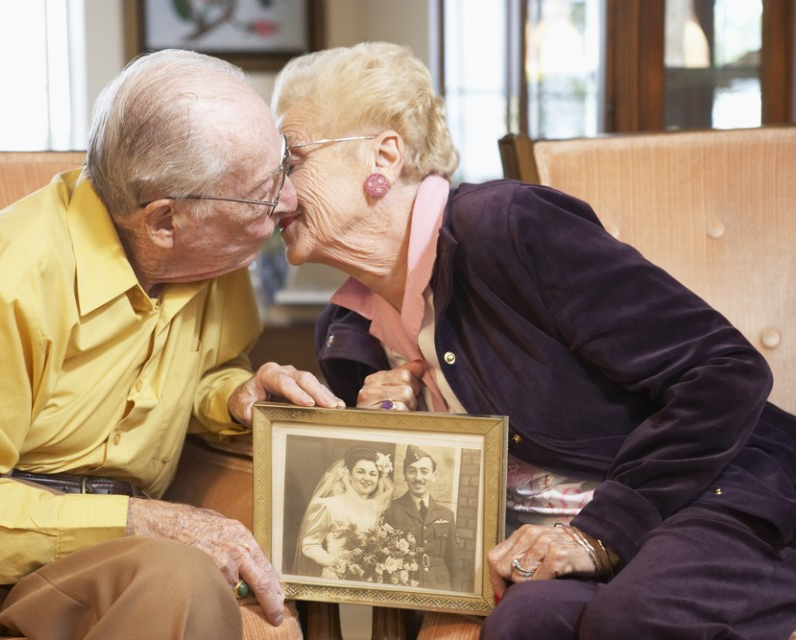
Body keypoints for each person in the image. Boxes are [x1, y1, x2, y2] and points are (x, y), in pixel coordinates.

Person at [270, 41, 796, 639]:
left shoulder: (509, 229)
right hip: (561, 547)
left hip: (714, 492)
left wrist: (598, 535)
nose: (274, 194)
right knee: (523, 625)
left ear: (384, 156)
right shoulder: (346, 335)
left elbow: (727, 370)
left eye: (292, 161)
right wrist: (396, 435)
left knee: (634, 618)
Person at [0, 49, 347, 640]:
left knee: (181, 580)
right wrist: (135, 520)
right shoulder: (8, 282)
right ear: (164, 222)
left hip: (88, 558)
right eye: (262, 196)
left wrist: (234, 393)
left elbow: (210, 366)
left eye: (281, 167)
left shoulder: (215, 255)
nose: (287, 203)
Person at [295, 446, 394, 579]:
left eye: (372, 474)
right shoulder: (328, 505)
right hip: (337, 576)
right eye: (360, 472)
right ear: (349, 474)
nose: (367, 478)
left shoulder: (375, 509)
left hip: (367, 579)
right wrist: (336, 563)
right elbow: (309, 545)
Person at [384, 445, 461, 591]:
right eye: (412, 471)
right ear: (404, 475)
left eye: (424, 471)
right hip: (404, 586)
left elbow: (454, 563)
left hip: (440, 588)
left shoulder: (446, 515)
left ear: (434, 476)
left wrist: (457, 600)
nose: (418, 478)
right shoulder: (391, 511)